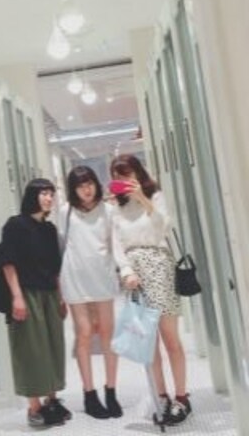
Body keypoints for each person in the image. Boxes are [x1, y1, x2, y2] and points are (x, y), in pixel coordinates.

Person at [110, 154, 192, 425]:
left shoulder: (155, 196)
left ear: (138, 173)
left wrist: (143, 200)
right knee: (148, 340)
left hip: (159, 267)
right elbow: (116, 245)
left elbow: (164, 227)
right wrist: (126, 271)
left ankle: (182, 398)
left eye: (127, 174)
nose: (123, 180)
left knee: (170, 337)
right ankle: (161, 396)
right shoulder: (115, 208)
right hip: (134, 275)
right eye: (118, 176)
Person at [0, 178, 72, 429]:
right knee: (31, 349)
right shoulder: (15, 225)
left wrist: (60, 297)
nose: (49, 198)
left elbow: (55, 268)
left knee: (53, 346)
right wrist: (17, 297)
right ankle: (34, 407)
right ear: (32, 196)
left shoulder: (49, 229)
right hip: (27, 293)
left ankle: (52, 400)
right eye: (43, 193)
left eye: (51, 194)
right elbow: (8, 263)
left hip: (49, 293)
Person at [59, 166, 122, 419]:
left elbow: (115, 244)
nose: (86, 189)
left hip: (102, 278)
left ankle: (111, 390)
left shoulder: (109, 210)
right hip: (75, 278)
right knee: (83, 334)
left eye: (89, 184)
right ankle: (89, 394)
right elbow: (62, 243)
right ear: (73, 189)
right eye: (80, 186)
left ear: (96, 184)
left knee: (108, 334)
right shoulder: (65, 211)